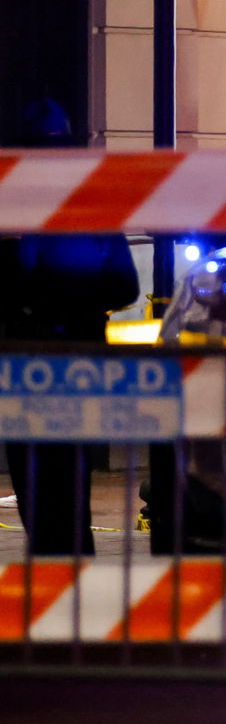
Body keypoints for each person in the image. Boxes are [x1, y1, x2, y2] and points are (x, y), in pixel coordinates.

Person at [0, 232, 140, 555]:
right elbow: (123, 286)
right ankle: (61, 564)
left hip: (54, 366)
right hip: (44, 365)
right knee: (52, 479)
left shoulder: (85, 224)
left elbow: (124, 287)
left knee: (59, 479)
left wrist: (43, 298)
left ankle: (63, 565)